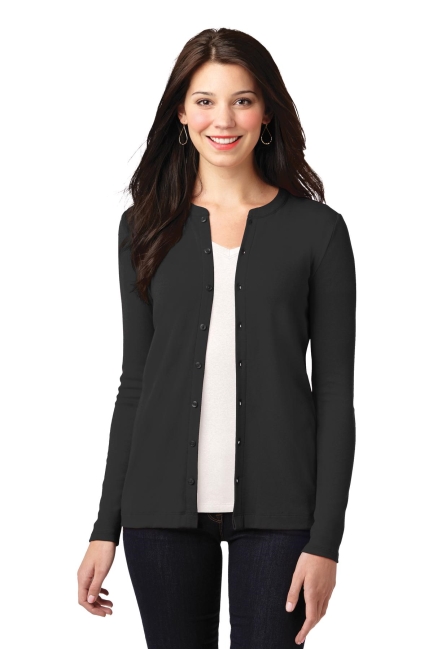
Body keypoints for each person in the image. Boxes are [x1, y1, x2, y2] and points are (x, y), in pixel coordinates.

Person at [77, 27, 357, 649]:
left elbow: (335, 395)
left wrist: (326, 541)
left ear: (267, 112)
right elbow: (135, 383)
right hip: (158, 510)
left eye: (242, 100)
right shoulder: (144, 227)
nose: (223, 120)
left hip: (282, 511)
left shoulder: (319, 232)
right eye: (204, 101)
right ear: (181, 113)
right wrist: (104, 527)